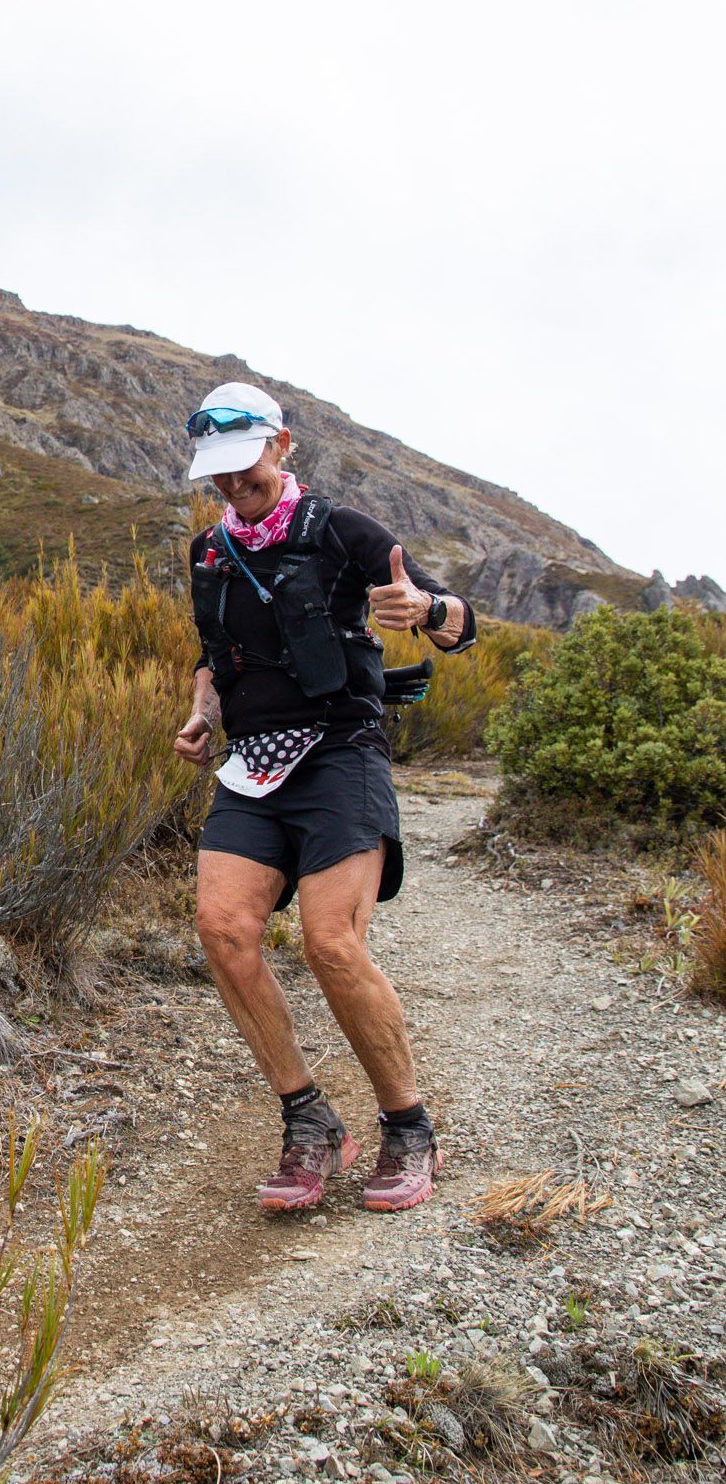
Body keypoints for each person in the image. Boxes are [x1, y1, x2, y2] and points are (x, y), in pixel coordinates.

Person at [174, 380, 476, 1214]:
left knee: (329, 942)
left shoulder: (342, 530)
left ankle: (408, 1127)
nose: (233, 488)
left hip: (341, 752)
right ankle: (308, 1120)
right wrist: (202, 713)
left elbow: (456, 620)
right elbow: (215, 653)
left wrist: (424, 608)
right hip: (253, 761)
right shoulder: (207, 552)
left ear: (282, 446)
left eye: (246, 471)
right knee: (222, 929)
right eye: (218, 478)